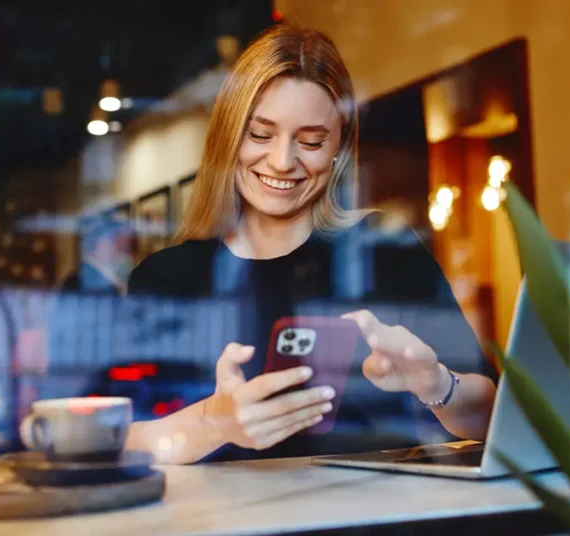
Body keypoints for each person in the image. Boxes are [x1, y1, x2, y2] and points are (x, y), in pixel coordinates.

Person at [123, 23, 497, 465]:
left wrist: (435, 383)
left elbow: (491, 416)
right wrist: (215, 422)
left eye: (311, 141)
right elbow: (116, 440)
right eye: (260, 135)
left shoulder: (384, 251)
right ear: (228, 138)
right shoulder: (166, 277)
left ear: (338, 146)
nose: (283, 161)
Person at [60, 214, 135, 296]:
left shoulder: (83, 279)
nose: (123, 251)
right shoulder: (87, 284)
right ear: (100, 243)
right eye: (117, 242)